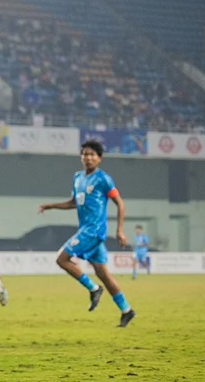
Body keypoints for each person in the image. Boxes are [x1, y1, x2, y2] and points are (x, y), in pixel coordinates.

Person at [38, 140, 136, 327]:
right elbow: (74, 202)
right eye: (85, 154)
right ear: (81, 157)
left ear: (99, 158)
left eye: (92, 155)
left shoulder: (103, 179)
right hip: (86, 230)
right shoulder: (78, 178)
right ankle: (126, 310)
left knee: (62, 259)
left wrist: (119, 230)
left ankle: (93, 288)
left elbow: (120, 203)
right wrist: (50, 206)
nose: (88, 158)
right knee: (104, 274)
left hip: (94, 231)